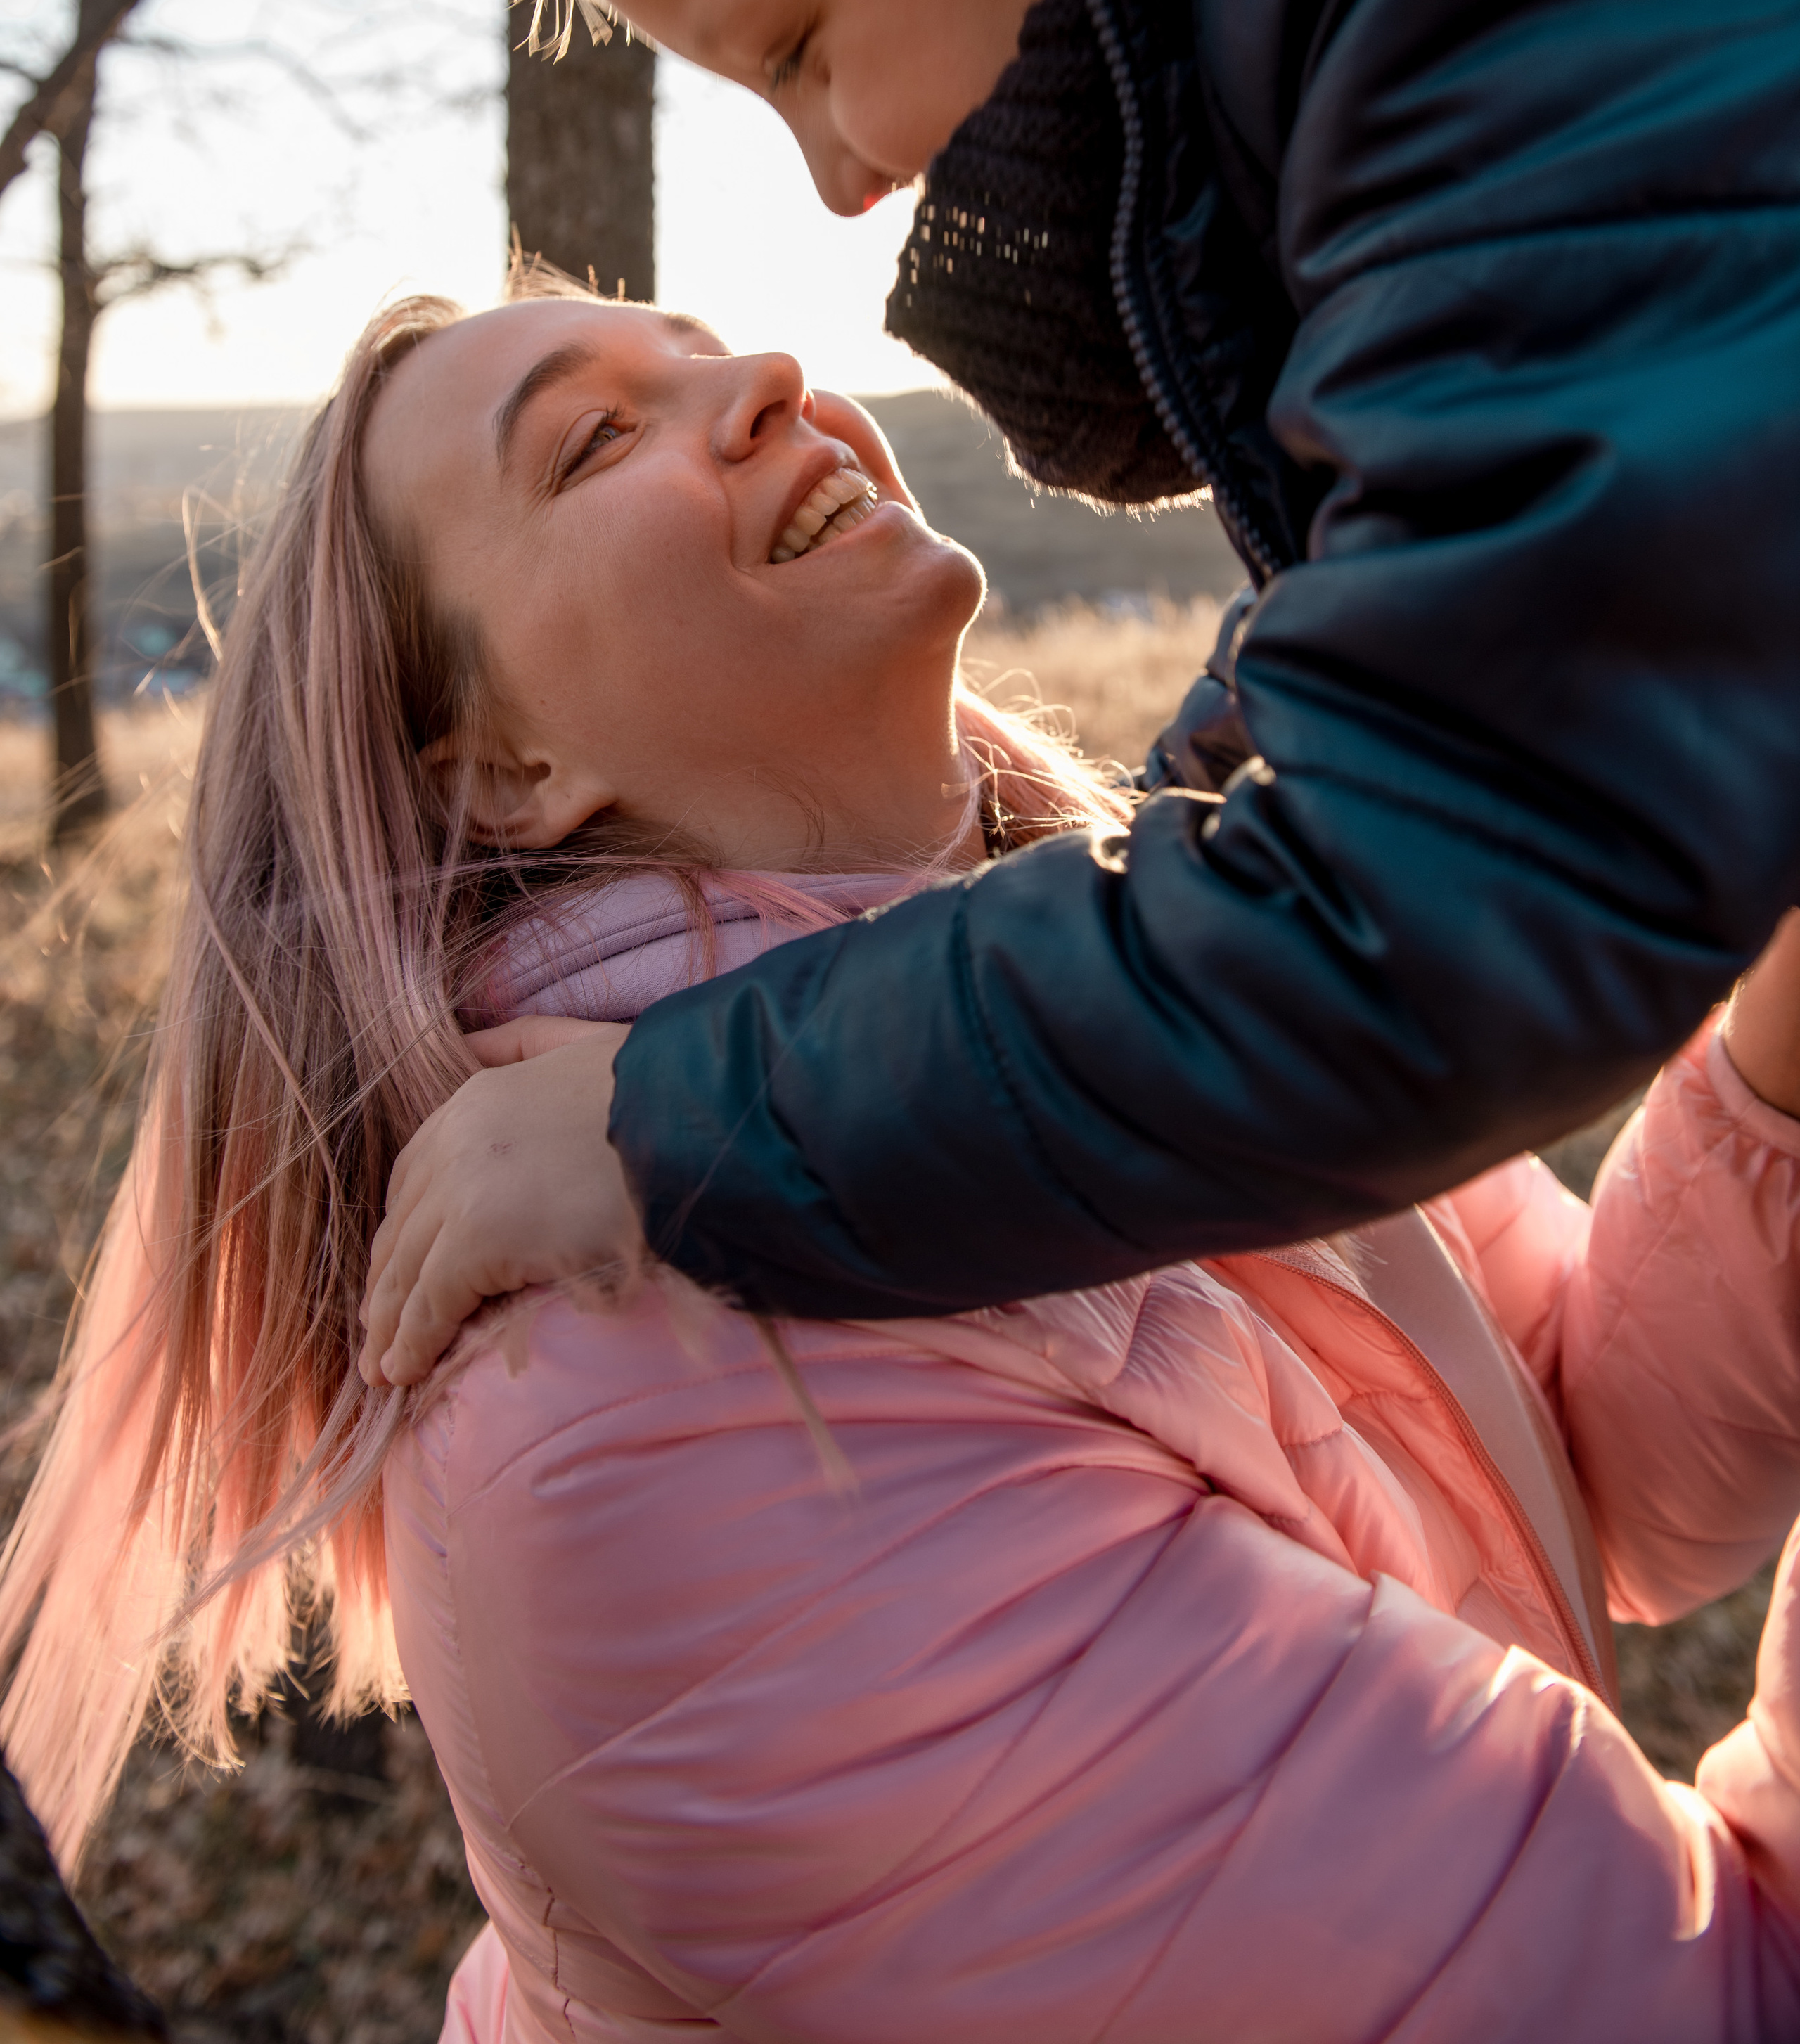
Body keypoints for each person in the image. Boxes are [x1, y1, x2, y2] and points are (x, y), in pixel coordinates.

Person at [8, 280, 1800, 2042]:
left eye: (711, 347)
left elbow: (1586, 1453)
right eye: (595, 437)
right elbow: (1703, 2002)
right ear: (500, 766)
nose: (778, 373)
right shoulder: (638, 1412)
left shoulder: (1135, 982)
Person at [356, 0, 1800, 1372]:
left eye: (794, 44)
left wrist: (683, 1123)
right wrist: (1134, 851)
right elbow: (1416, 637)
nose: (846, 174)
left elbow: (1444, 873)